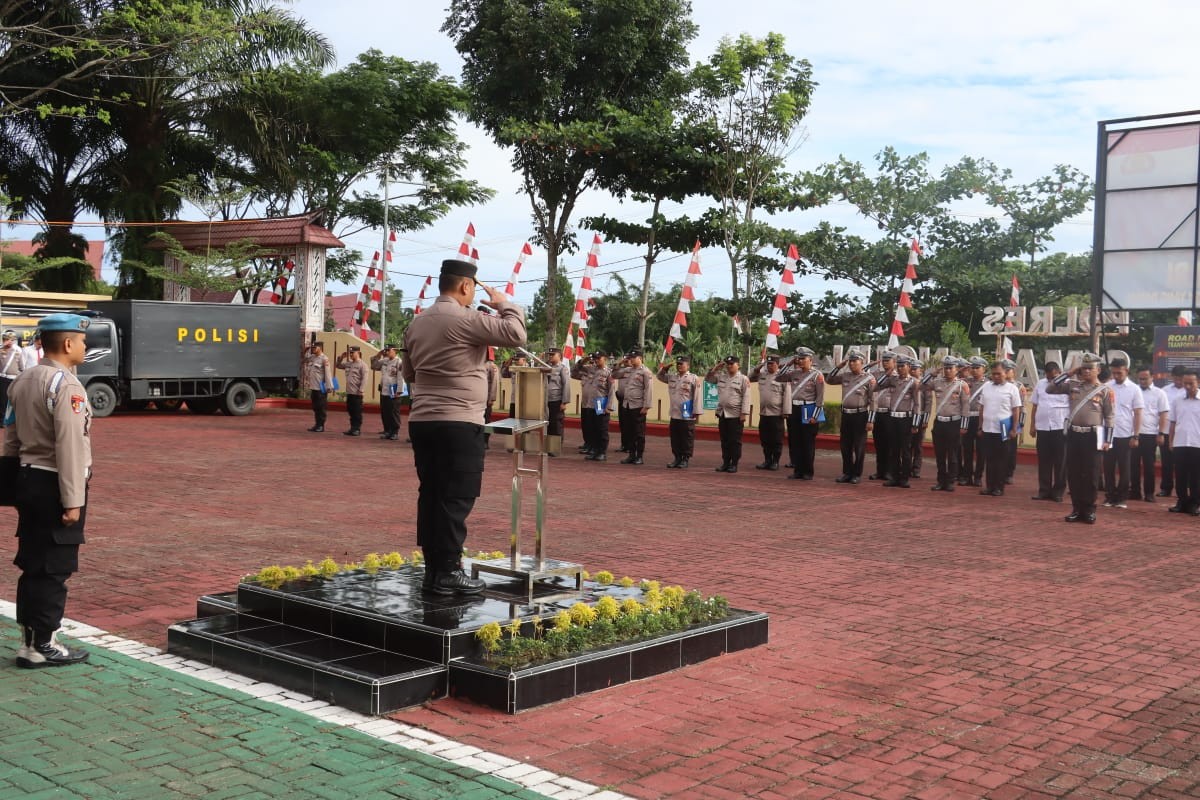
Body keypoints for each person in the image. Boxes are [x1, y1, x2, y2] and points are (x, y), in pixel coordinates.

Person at [402, 258, 526, 595]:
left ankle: (434, 570)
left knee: (431, 495)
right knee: (455, 497)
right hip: (458, 423)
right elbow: (516, 335)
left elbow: (409, 374)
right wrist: (504, 306)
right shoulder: (468, 319)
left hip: (423, 421)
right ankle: (448, 571)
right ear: (466, 286)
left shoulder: (416, 323)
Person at [4, 313, 93, 667]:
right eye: (83, 341)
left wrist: (12, 487)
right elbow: (69, 444)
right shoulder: (67, 385)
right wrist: (73, 500)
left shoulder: (23, 379)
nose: (85, 347)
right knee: (53, 567)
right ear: (68, 344)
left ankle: (30, 643)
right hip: (55, 483)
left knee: (33, 564)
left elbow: (10, 438)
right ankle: (45, 645)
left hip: (28, 479)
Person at [1046, 354, 1115, 524]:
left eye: (1090, 368)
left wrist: (1108, 440)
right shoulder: (1073, 386)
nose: (1086, 371)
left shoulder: (1106, 390)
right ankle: (1076, 509)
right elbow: (1050, 388)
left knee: (1091, 474)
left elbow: (1110, 417)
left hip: (1094, 435)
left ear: (1098, 370)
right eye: (1083, 368)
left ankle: (1090, 510)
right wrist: (1070, 373)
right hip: (1074, 434)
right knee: (1074, 473)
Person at [826, 351, 874, 483]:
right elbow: (829, 380)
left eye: (855, 361)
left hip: (860, 415)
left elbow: (873, 401)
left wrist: (871, 420)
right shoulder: (845, 376)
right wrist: (838, 367)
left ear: (862, 362)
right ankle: (847, 472)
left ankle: (856, 474)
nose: (852, 364)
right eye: (851, 361)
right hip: (846, 414)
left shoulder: (869, 379)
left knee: (859, 446)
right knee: (845, 446)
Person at [778, 346, 825, 481]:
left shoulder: (817, 375)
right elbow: (778, 377)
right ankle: (798, 470)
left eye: (803, 358)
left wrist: (815, 416)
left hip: (809, 408)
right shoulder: (794, 373)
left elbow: (820, 398)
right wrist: (788, 364)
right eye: (799, 358)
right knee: (795, 442)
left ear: (810, 359)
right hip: (795, 408)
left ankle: (808, 472)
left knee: (808, 443)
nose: (800, 361)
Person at [924, 356, 969, 492]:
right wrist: (931, 374)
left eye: (950, 368)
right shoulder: (937, 382)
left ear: (957, 370)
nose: (948, 370)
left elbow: (965, 407)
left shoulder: (962, 385)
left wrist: (964, 425)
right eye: (946, 368)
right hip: (940, 423)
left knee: (953, 455)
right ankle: (940, 481)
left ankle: (950, 481)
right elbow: (920, 386)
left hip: (954, 423)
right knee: (940, 454)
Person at [1103, 357, 1144, 509]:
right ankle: (1109, 496)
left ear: (1126, 371)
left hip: (1125, 433)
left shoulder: (1134, 389)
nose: (1116, 376)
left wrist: (1136, 435)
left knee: (1125, 468)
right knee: (1107, 467)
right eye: (1114, 373)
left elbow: (1138, 413)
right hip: (1107, 433)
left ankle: (1121, 498)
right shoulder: (1107, 387)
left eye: (1119, 373)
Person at [977, 361, 1022, 497]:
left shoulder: (1012, 388)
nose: (996, 376)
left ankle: (999, 487)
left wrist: (1014, 429)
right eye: (994, 374)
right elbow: (982, 408)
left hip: (1003, 428)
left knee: (1001, 459)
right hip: (988, 428)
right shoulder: (986, 387)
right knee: (989, 459)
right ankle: (989, 486)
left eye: (999, 374)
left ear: (1006, 373)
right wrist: (980, 426)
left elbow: (1016, 410)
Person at [876, 357, 922, 488]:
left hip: (906, 419)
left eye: (903, 366)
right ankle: (894, 477)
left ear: (908, 367)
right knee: (893, 450)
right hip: (892, 418)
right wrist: (887, 374)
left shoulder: (914, 382)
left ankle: (904, 478)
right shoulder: (893, 380)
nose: (900, 368)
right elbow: (877, 386)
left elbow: (918, 404)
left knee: (906, 450)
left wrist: (915, 423)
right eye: (899, 366)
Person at [1029, 362, 1069, 501]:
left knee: (1060, 461)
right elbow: (1035, 405)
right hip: (1043, 427)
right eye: (1048, 376)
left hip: (1060, 427)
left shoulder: (1068, 384)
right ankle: (1044, 490)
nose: (1051, 379)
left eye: (1054, 376)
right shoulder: (1040, 384)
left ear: (1059, 372)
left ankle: (1058, 492)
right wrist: (1032, 426)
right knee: (1044, 460)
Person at [1130, 366, 1170, 502]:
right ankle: (1134, 491)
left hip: (1150, 434)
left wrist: (1161, 433)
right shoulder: (1133, 390)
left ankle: (1149, 493)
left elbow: (1164, 414)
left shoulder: (1160, 393)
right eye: (1140, 379)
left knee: (1149, 465)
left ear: (1152, 377)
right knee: (1133, 464)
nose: (1142, 381)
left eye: (1145, 378)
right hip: (1133, 433)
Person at [656, 354, 702, 469]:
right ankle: (677, 458)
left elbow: (697, 396)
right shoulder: (672, 377)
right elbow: (659, 376)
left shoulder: (693, 378)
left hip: (687, 414)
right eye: (678, 364)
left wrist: (696, 412)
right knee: (675, 437)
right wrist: (665, 368)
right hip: (675, 413)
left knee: (686, 438)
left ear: (688, 365)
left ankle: (685, 459)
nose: (679, 366)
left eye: (682, 364)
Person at [705, 355, 750, 473]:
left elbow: (746, 397)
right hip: (722, 413)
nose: (729, 366)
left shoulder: (743, 379)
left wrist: (744, 413)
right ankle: (725, 462)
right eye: (728, 364)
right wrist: (716, 368)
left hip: (735, 414)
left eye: (732, 364)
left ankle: (734, 463)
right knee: (724, 440)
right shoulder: (721, 377)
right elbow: (708, 380)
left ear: (738, 365)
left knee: (734, 441)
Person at [611, 349, 653, 465]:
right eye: (630, 358)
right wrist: (619, 364)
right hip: (627, 404)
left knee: (639, 432)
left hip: (638, 406)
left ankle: (639, 456)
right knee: (629, 431)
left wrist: (646, 406)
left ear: (640, 358)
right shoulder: (628, 370)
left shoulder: (645, 372)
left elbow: (648, 390)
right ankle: (631, 454)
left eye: (633, 358)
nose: (631, 360)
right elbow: (614, 375)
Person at [1168, 370, 1200, 516]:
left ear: (1198, 383)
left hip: (1197, 443)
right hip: (1180, 442)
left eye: (1190, 383)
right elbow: (1173, 422)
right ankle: (1181, 502)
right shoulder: (1178, 399)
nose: (1187, 386)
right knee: (1180, 475)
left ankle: (1194, 503)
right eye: (1185, 383)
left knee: (1196, 476)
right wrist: (1171, 441)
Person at [749, 354, 786, 470]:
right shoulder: (762, 375)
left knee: (776, 439)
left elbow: (787, 395)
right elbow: (749, 378)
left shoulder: (782, 377)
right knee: (765, 439)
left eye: (772, 364)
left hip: (777, 413)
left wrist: (786, 412)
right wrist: (757, 368)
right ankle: (767, 460)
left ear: (778, 364)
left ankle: (775, 461)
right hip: (764, 413)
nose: (770, 366)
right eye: (768, 364)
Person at [576, 351, 614, 461]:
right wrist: (586, 359)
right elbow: (576, 369)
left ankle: (602, 452)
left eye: (599, 358)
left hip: (600, 402)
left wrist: (609, 406)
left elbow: (611, 390)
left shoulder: (608, 372)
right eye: (595, 358)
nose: (597, 360)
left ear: (605, 358)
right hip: (589, 403)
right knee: (591, 428)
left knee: (601, 428)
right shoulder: (590, 369)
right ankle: (594, 450)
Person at [958, 356, 988, 486]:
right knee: (967, 449)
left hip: (981, 419)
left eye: (977, 368)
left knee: (981, 450)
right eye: (973, 368)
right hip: (967, 417)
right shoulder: (964, 382)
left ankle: (978, 477)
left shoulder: (988, 384)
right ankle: (966, 476)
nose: (974, 370)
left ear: (984, 369)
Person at [868, 352, 897, 480]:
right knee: (878, 444)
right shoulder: (877, 374)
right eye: (884, 360)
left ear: (894, 362)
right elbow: (863, 374)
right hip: (877, 413)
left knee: (890, 444)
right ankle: (880, 471)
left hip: (889, 414)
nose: (885, 362)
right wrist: (869, 365)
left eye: (888, 360)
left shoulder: (897, 377)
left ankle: (889, 472)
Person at [1161, 364, 1188, 498]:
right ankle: (1166, 488)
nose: (1178, 381)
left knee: (1183, 463)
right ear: (1172, 377)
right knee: (1167, 462)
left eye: (1181, 378)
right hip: (1167, 431)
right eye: (1176, 378)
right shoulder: (1165, 391)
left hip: (1183, 434)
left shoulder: (1190, 390)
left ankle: (1183, 489)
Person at [371, 344, 404, 440]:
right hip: (384, 390)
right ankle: (387, 431)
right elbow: (373, 366)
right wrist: (378, 355)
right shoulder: (384, 361)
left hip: (394, 391)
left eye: (389, 350)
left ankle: (394, 432)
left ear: (395, 351)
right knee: (385, 412)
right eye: (385, 350)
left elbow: (400, 378)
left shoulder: (399, 362)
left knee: (394, 412)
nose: (387, 352)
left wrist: (399, 391)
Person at [335, 346, 368, 436]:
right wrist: (341, 357)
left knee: (357, 412)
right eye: (350, 353)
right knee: (351, 411)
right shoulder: (349, 364)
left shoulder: (362, 365)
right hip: (349, 392)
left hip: (357, 393)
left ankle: (357, 429)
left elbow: (364, 379)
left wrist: (361, 390)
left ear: (358, 353)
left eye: (352, 353)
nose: (351, 355)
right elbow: (338, 365)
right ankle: (352, 428)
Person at [302, 341, 333, 432]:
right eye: (312, 348)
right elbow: (304, 360)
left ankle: (321, 425)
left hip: (321, 387)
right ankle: (317, 424)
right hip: (314, 387)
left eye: (314, 348)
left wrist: (329, 386)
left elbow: (328, 374)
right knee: (315, 407)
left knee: (321, 407)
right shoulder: (312, 357)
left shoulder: (324, 359)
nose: (313, 349)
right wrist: (305, 351)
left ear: (320, 348)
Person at [544, 347, 571, 440]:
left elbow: (566, 385)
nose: (550, 356)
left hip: (557, 400)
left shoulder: (562, 368)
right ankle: (548, 445)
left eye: (552, 354)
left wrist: (564, 402)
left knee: (556, 424)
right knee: (547, 424)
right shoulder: (546, 367)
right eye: (549, 354)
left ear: (559, 356)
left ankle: (555, 447)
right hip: (546, 400)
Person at [1, 329, 24, 425]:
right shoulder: (0, 349)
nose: (9, 341)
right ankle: (2, 420)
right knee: (2, 400)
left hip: (13, 378)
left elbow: (22, 366)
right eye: (7, 339)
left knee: (13, 399)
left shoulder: (17, 350)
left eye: (11, 339)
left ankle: (13, 420)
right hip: (2, 378)